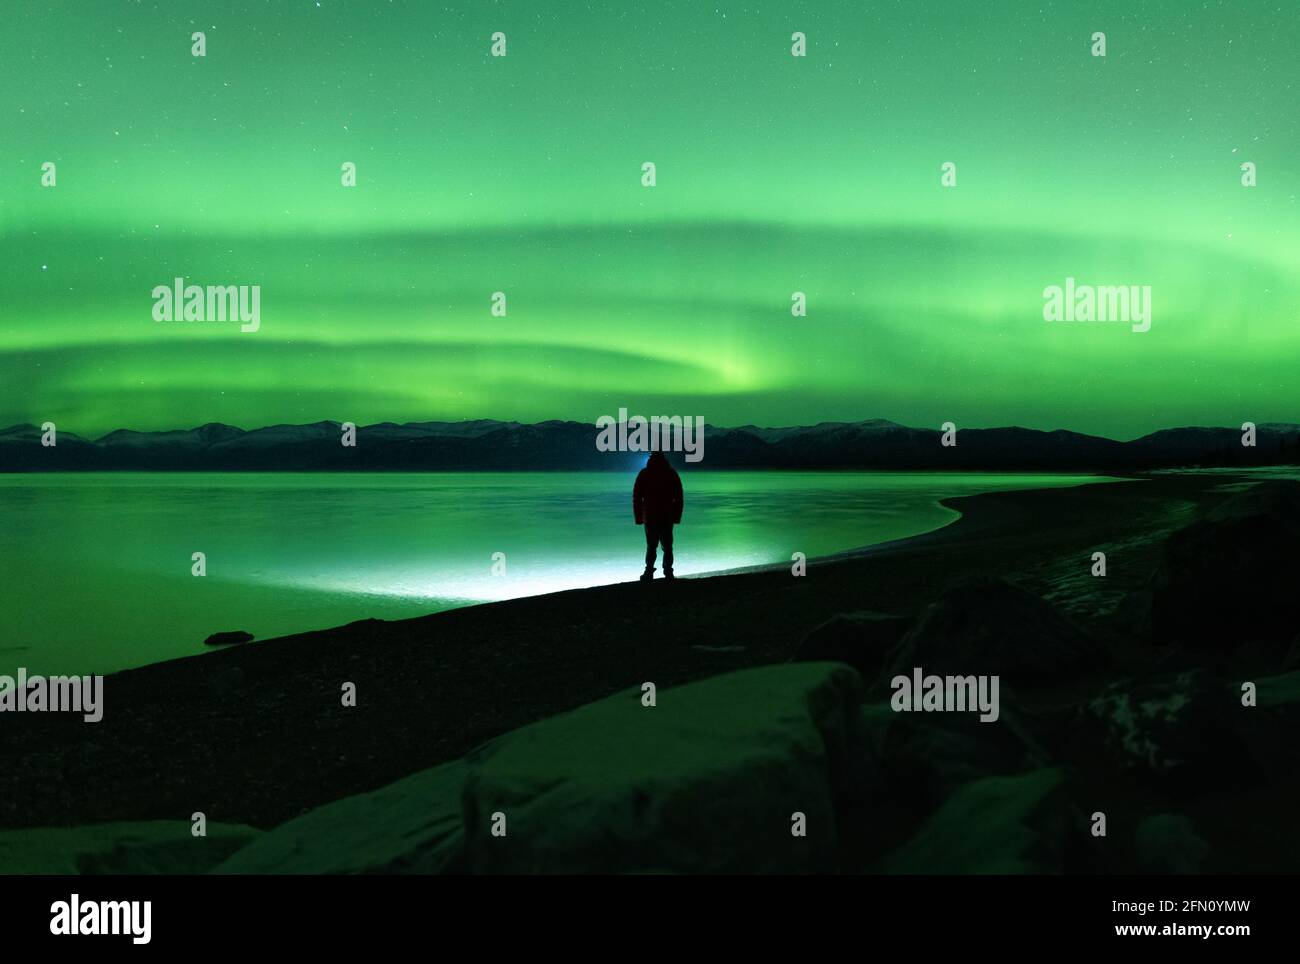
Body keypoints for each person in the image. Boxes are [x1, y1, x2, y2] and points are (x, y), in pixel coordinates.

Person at [633, 450, 683, 581]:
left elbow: (637, 498)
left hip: (650, 515)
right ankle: (668, 572)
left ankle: (649, 572)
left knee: (651, 546)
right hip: (667, 514)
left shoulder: (644, 473)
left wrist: (638, 518)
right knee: (667, 546)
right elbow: (679, 497)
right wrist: (677, 516)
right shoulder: (671, 473)